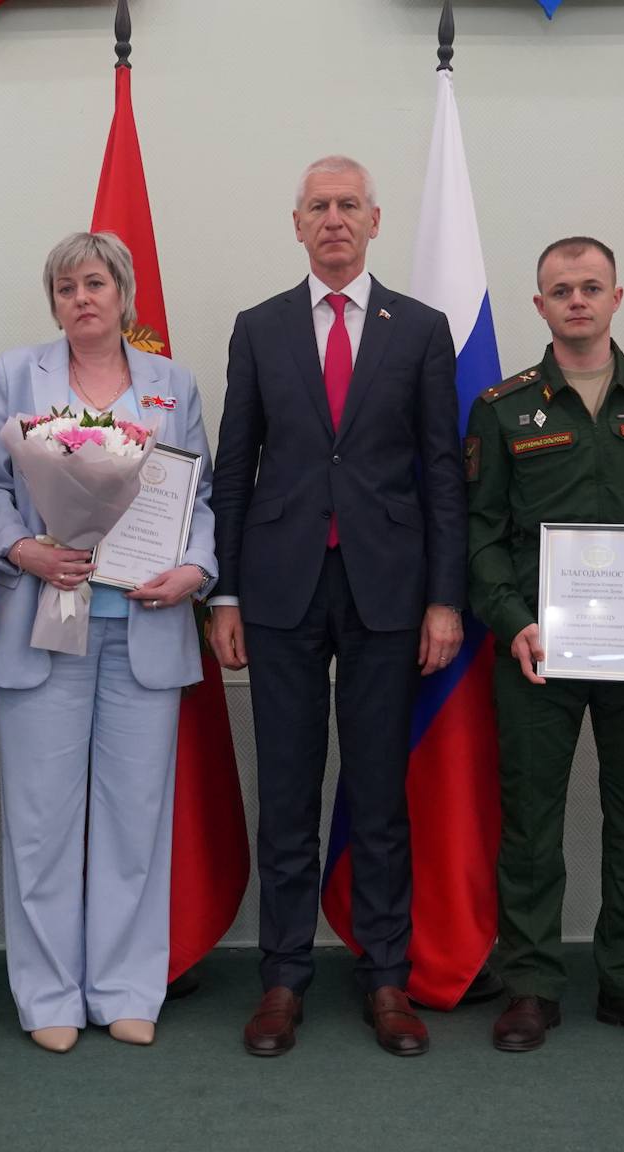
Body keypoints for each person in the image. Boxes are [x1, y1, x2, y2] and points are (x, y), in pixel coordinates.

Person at [208, 156, 465, 1058]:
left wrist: (445, 599)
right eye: (317, 206)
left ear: (374, 220)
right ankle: (283, 977)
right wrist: (225, 590)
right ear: (296, 224)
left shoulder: (420, 329)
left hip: (387, 590)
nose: (333, 219)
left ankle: (386, 975)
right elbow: (234, 467)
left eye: (348, 204)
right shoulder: (259, 328)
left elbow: (443, 472)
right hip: (279, 588)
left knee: (380, 794)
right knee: (285, 791)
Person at [466, 237, 624, 1051]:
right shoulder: (504, 408)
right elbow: (481, 531)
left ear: (616, 297)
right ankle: (531, 986)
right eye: (560, 289)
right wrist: (511, 620)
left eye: (590, 287)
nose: (576, 300)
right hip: (536, 649)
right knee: (531, 820)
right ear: (539, 305)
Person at [0, 231, 216, 1053]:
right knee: (41, 823)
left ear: (124, 295)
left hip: (145, 624)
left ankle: (126, 987)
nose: (82, 298)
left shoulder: (172, 385)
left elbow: (198, 497)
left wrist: (196, 569)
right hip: (44, 623)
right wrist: (21, 548)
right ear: (54, 302)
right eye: (66, 287)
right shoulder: (15, 375)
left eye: (96, 284)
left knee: (133, 819)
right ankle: (48, 996)